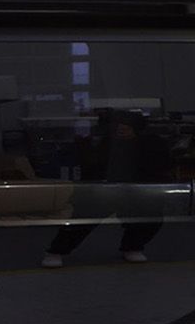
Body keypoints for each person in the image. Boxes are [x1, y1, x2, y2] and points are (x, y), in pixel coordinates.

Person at [41, 110, 171, 267]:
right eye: (119, 127)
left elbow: (158, 167)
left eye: (127, 127)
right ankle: (55, 251)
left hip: (136, 191)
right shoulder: (108, 143)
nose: (122, 130)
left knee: (150, 218)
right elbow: (92, 165)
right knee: (83, 221)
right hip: (105, 191)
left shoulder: (150, 143)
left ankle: (132, 247)